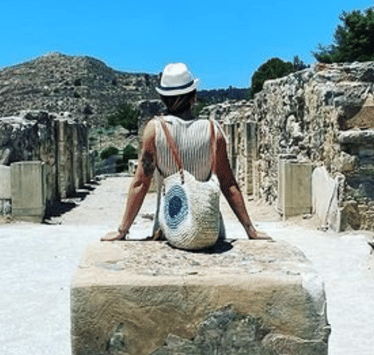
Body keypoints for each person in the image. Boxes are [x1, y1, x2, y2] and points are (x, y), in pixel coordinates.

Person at [101, 62, 271, 242]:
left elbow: (141, 183)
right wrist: (250, 229)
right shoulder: (214, 131)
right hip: (208, 230)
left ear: (163, 98)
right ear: (194, 97)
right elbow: (228, 183)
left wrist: (122, 230)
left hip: (169, 230)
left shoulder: (155, 130)